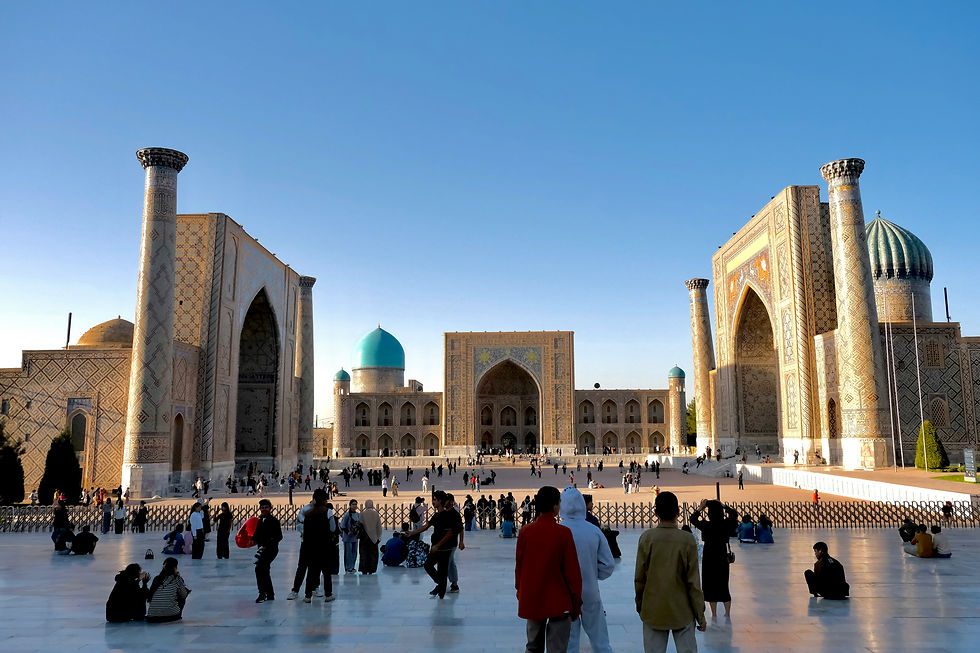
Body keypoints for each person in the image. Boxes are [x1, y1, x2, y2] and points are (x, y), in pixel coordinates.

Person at [635, 491, 706, 653]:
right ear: (678, 512)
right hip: (682, 610)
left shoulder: (646, 538)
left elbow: (640, 578)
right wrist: (700, 614)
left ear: (655, 513)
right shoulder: (687, 540)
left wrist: (640, 605)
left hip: (653, 608)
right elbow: (693, 582)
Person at [515, 486, 583, 653]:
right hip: (558, 599)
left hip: (533, 597)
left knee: (532, 647)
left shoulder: (525, 532)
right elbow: (572, 572)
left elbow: (520, 567)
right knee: (557, 649)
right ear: (555, 506)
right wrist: (576, 602)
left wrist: (520, 591)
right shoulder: (563, 533)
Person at [561, 486, 614, 653]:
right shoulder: (593, 530)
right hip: (590, 590)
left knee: (570, 642)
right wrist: (591, 573)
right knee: (600, 640)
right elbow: (608, 564)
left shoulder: (560, 531)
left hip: (566, 593)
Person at [402, 490, 462, 599]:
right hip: (437, 547)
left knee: (441, 569)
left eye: (435, 500)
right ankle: (441, 585)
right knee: (429, 566)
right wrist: (411, 533)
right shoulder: (437, 515)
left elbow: (450, 533)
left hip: (444, 548)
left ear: (440, 501)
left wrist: (438, 545)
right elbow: (426, 526)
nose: (433, 502)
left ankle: (442, 591)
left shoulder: (447, 515)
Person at [690, 499, 737, 617]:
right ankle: (727, 613)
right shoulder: (726, 524)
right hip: (722, 554)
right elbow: (734, 514)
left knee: (710, 585)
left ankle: (714, 613)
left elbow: (693, 519)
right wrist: (723, 505)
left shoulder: (706, 525)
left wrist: (701, 507)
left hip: (709, 555)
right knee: (723, 583)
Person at [301, 489, 337, 602]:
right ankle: (328, 594)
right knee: (326, 572)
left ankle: (307, 596)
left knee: (311, 572)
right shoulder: (328, 512)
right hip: (325, 546)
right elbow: (333, 528)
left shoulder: (308, 513)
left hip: (311, 547)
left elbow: (305, 532)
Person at [287, 497, 318, 600]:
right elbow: (300, 525)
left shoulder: (322, 510)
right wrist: (308, 533)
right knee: (302, 567)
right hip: (305, 542)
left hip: (316, 543)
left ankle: (315, 588)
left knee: (315, 567)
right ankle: (295, 590)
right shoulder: (305, 510)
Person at [253, 498, 282, 602]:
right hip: (261, 550)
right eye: (262, 508)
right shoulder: (259, 521)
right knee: (263, 570)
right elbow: (256, 535)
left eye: (266, 507)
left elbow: (279, 536)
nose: (264, 509)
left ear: (270, 508)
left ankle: (262, 593)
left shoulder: (274, 521)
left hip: (270, 549)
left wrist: (268, 543)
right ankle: (269, 594)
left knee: (260, 569)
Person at [146, 557, 191, 622]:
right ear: (175, 568)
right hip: (171, 616)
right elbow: (183, 595)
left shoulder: (157, 579)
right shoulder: (177, 579)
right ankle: (176, 614)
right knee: (182, 596)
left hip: (152, 616)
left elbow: (150, 597)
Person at [359, 499, 382, 574]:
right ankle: (371, 569)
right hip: (374, 537)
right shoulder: (376, 514)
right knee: (373, 554)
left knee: (364, 554)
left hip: (364, 537)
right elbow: (379, 526)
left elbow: (360, 525)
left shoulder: (362, 514)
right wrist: (379, 536)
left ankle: (364, 569)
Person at [340, 499, 362, 574]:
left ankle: (352, 567)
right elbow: (342, 525)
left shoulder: (358, 515)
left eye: (355, 504)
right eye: (353, 504)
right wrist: (347, 532)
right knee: (348, 553)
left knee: (354, 553)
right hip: (347, 538)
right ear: (350, 505)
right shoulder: (347, 515)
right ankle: (348, 567)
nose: (354, 506)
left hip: (355, 537)